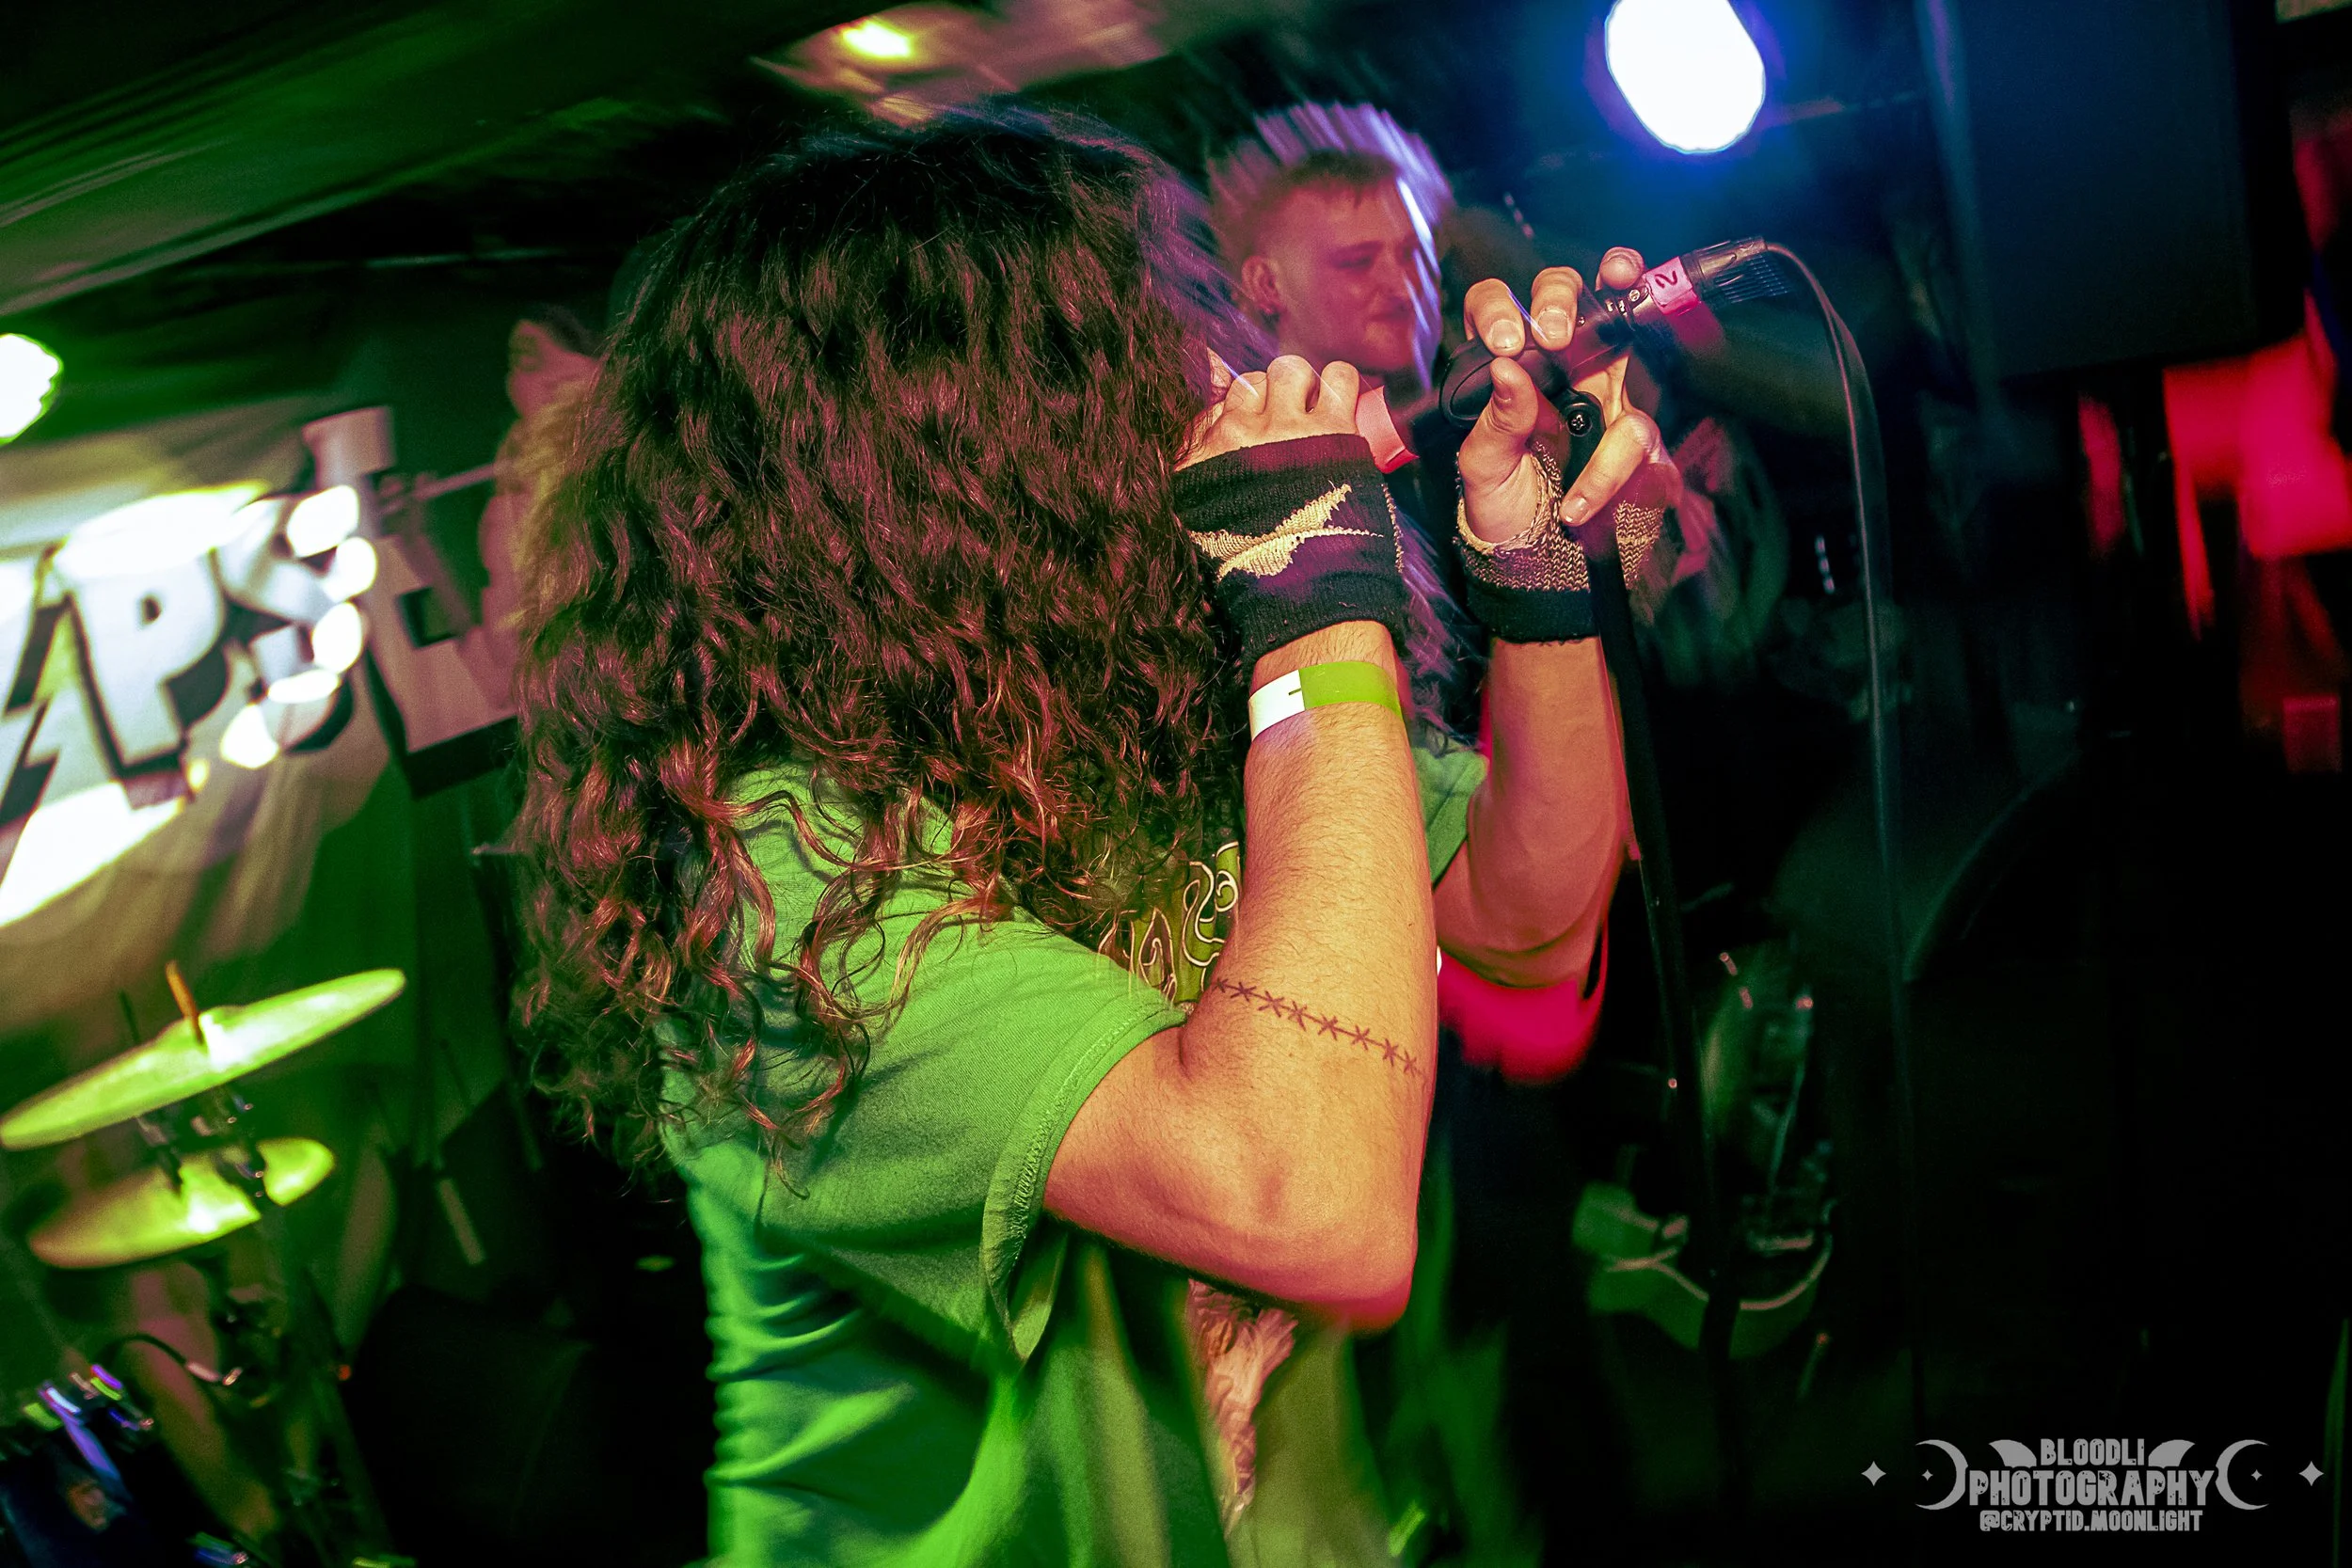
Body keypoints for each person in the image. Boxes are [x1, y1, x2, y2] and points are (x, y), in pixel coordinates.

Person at [511, 107, 1671, 1565]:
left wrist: (1537, 560)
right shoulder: (778, 861)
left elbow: (1530, 909)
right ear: (962, 453)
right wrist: (1311, 588)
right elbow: (1312, 1201)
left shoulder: (1128, 692)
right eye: (1139, 347)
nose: (1212, 373)